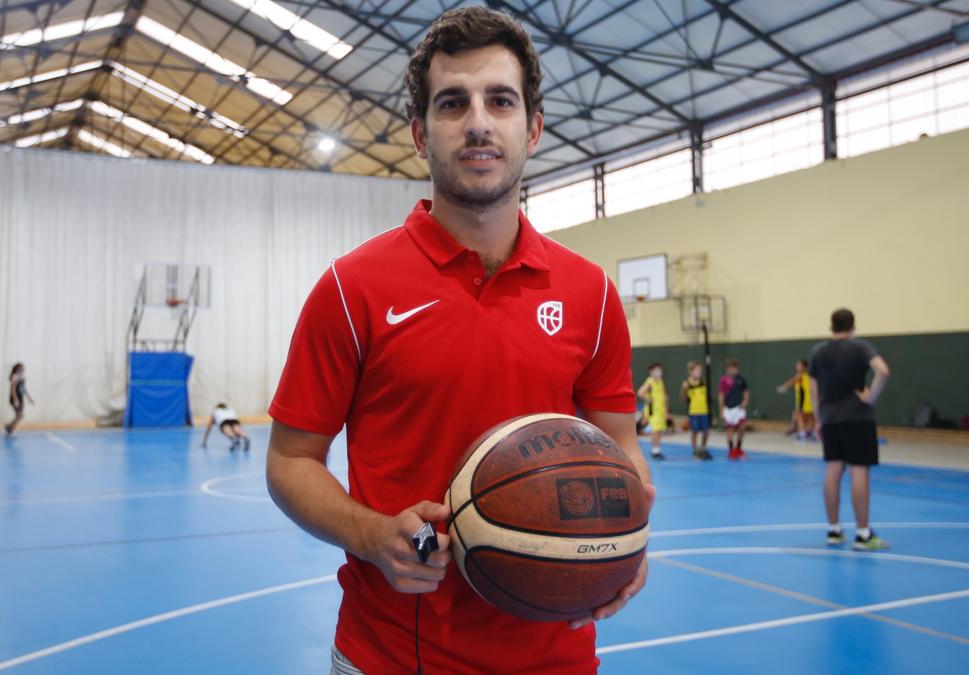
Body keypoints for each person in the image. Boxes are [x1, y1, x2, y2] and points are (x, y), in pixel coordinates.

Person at [264, 8, 654, 674]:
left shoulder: (591, 294)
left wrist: (624, 536)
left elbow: (619, 445)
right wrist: (369, 532)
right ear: (421, 135)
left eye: (500, 100)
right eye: (453, 104)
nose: (478, 122)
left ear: (531, 128)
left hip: (557, 656)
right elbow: (289, 460)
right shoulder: (351, 289)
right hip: (390, 656)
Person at [809, 308, 891, 551]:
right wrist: (871, 397)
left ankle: (833, 530)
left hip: (830, 418)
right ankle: (863, 534)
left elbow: (814, 390)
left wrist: (818, 419)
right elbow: (883, 371)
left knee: (833, 469)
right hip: (857, 418)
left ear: (830, 326)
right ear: (853, 326)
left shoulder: (817, 352)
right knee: (859, 471)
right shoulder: (860, 347)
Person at [636, 362, 670, 460]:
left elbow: (663, 396)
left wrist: (666, 410)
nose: (658, 372)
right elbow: (640, 392)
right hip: (653, 411)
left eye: (659, 370)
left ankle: (657, 450)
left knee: (658, 430)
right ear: (651, 372)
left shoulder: (660, 381)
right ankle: (655, 451)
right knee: (655, 431)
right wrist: (648, 399)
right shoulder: (650, 381)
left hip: (660, 410)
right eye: (656, 370)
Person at [718, 357, 749, 460]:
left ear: (737, 369)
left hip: (739, 408)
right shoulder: (724, 380)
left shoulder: (741, 379)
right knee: (730, 430)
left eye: (734, 368)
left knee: (742, 427)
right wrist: (722, 410)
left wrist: (745, 401)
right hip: (728, 409)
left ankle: (738, 449)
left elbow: (746, 392)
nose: (732, 370)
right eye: (730, 368)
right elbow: (721, 395)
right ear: (726, 369)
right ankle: (731, 450)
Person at [776, 359, 815, 440]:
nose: (797, 366)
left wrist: (784, 387)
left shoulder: (801, 375)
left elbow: (792, 381)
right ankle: (810, 433)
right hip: (810, 401)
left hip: (805, 402)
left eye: (799, 365)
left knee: (799, 416)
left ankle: (802, 434)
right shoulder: (808, 376)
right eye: (797, 365)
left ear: (804, 367)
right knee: (808, 417)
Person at [681, 362, 711, 460]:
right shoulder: (687, 383)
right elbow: (683, 397)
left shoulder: (702, 382)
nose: (699, 372)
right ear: (691, 371)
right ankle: (695, 450)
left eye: (700, 371)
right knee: (695, 431)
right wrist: (684, 390)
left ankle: (703, 448)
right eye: (697, 370)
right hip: (694, 411)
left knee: (706, 431)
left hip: (704, 411)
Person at [4, 362, 34, 435]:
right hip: (15, 398)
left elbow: (24, 388)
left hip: (20, 398)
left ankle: (9, 427)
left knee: (20, 416)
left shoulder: (22, 377)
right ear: (18, 368)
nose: (24, 369)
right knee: (20, 415)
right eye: (22, 367)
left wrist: (29, 398)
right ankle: (9, 428)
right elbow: (13, 389)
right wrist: (15, 399)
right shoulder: (15, 376)